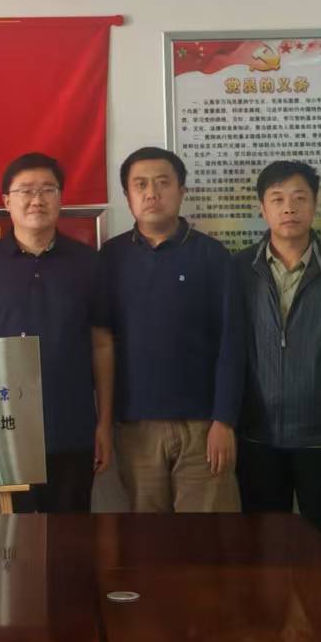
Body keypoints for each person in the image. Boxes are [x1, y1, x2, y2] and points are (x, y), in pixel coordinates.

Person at [235, 160, 321, 555]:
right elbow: (227, 355)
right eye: (277, 199)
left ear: (315, 204)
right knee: (262, 550)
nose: (289, 208)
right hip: (256, 438)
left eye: (300, 198)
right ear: (262, 208)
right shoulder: (238, 271)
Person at [0, 152, 114, 513]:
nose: (37, 199)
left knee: (69, 536)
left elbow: (102, 345)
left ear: (60, 198)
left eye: (47, 189)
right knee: (2, 536)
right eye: (26, 190)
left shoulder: (88, 263)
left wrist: (104, 424)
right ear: (6, 201)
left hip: (70, 425)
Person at [101, 146, 244, 513]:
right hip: (136, 427)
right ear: (127, 196)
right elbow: (101, 343)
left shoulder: (213, 256)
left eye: (163, 183)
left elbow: (232, 343)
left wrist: (224, 420)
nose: (152, 193)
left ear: (181, 191)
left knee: (206, 537)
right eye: (141, 185)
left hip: (203, 427)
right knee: (149, 538)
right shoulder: (111, 258)